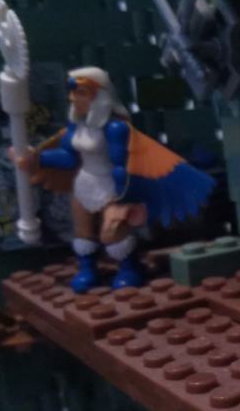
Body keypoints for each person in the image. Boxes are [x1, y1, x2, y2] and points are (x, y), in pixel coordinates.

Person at [12, 67, 215, 292]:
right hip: (84, 183)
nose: (73, 98)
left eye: (80, 92)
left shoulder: (115, 128)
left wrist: (124, 197)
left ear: (99, 95)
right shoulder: (76, 127)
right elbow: (69, 158)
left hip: (109, 186)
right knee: (83, 232)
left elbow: (123, 163)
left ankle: (129, 268)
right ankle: (87, 269)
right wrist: (37, 158)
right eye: (72, 92)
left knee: (113, 232)